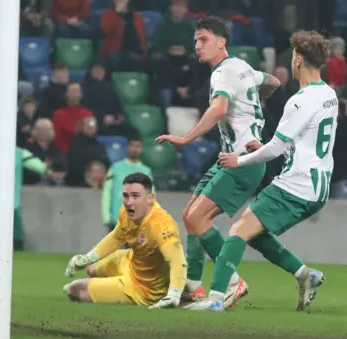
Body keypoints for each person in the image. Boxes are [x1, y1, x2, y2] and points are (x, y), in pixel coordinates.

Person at [188, 30, 333, 312]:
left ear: (298, 59)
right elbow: (304, 142)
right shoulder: (328, 94)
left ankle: (216, 299)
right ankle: (305, 275)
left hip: (296, 185)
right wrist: (265, 146)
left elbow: (277, 148)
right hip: (319, 186)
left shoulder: (300, 101)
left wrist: (239, 160)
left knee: (238, 230)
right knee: (253, 230)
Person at [155, 16, 281, 308]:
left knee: (196, 218)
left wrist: (186, 139)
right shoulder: (244, 68)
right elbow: (272, 81)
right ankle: (195, 286)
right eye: (196, 40)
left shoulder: (222, 73)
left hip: (241, 161)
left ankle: (232, 283)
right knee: (191, 215)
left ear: (221, 42)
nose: (197, 46)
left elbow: (218, 108)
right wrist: (253, 111)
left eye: (203, 40)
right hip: (234, 157)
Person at [63, 173, 187, 309]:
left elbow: (177, 260)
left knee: (74, 290)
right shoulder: (126, 212)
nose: (129, 202)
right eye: (126, 196)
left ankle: (108, 288)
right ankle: (103, 285)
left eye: (135, 196)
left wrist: (174, 294)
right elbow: (116, 237)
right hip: (130, 260)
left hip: (142, 288)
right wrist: (87, 258)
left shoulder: (162, 225)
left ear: (150, 198)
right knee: (91, 268)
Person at [101, 133, 153, 232]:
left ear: (141, 148)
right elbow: (107, 192)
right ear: (127, 147)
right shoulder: (116, 168)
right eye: (132, 145)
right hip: (117, 221)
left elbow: (150, 198)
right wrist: (106, 216)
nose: (135, 149)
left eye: (138, 146)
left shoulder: (146, 171)